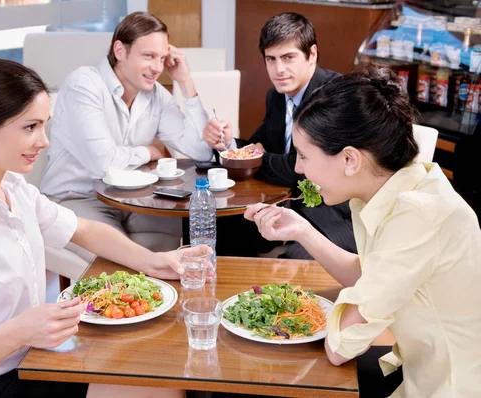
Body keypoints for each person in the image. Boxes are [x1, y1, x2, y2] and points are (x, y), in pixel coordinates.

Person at [0, 58, 192, 398]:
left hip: (30, 360)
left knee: (160, 371)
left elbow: (83, 229)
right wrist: (21, 331)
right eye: (29, 127)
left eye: (44, 125)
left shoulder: (10, 187)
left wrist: (155, 262)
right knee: (156, 386)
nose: (44, 141)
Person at [246, 66, 481, 397]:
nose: (298, 168)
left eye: (303, 156)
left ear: (349, 160)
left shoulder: (417, 214)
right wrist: (302, 230)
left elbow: (340, 348)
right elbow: (372, 275)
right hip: (416, 368)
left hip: (445, 387)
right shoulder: (400, 187)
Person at [40, 11, 214, 259]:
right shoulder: (84, 85)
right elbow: (104, 165)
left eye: (162, 58)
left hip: (134, 200)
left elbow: (201, 151)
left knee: (171, 249)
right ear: (120, 51)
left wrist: (185, 83)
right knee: (127, 265)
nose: (157, 68)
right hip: (76, 200)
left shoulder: (156, 95)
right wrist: (149, 152)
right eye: (148, 56)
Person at [203, 13, 355, 259]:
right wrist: (228, 142)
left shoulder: (333, 95)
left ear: (312, 54)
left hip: (332, 214)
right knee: (217, 228)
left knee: (294, 263)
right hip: (286, 205)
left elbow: (297, 168)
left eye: (288, 57)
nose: (279, 69)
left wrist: (256, 156)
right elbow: (257, 146)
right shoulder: (276, 96)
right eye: (270, 59)